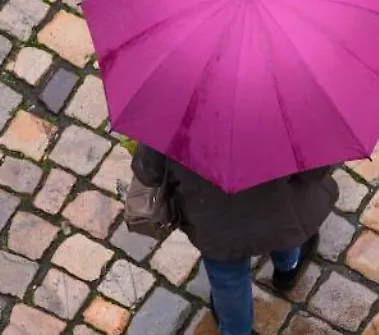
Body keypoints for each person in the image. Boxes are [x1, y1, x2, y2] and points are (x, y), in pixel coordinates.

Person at [131, 144, 339, 335]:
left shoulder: (174, 115)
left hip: (214, 224)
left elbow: (149, 171)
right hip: (278, 209)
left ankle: (235, 331)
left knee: (227, 280)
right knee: (286, 237)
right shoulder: (291, 113)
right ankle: (287, 271)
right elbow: (314, 169)